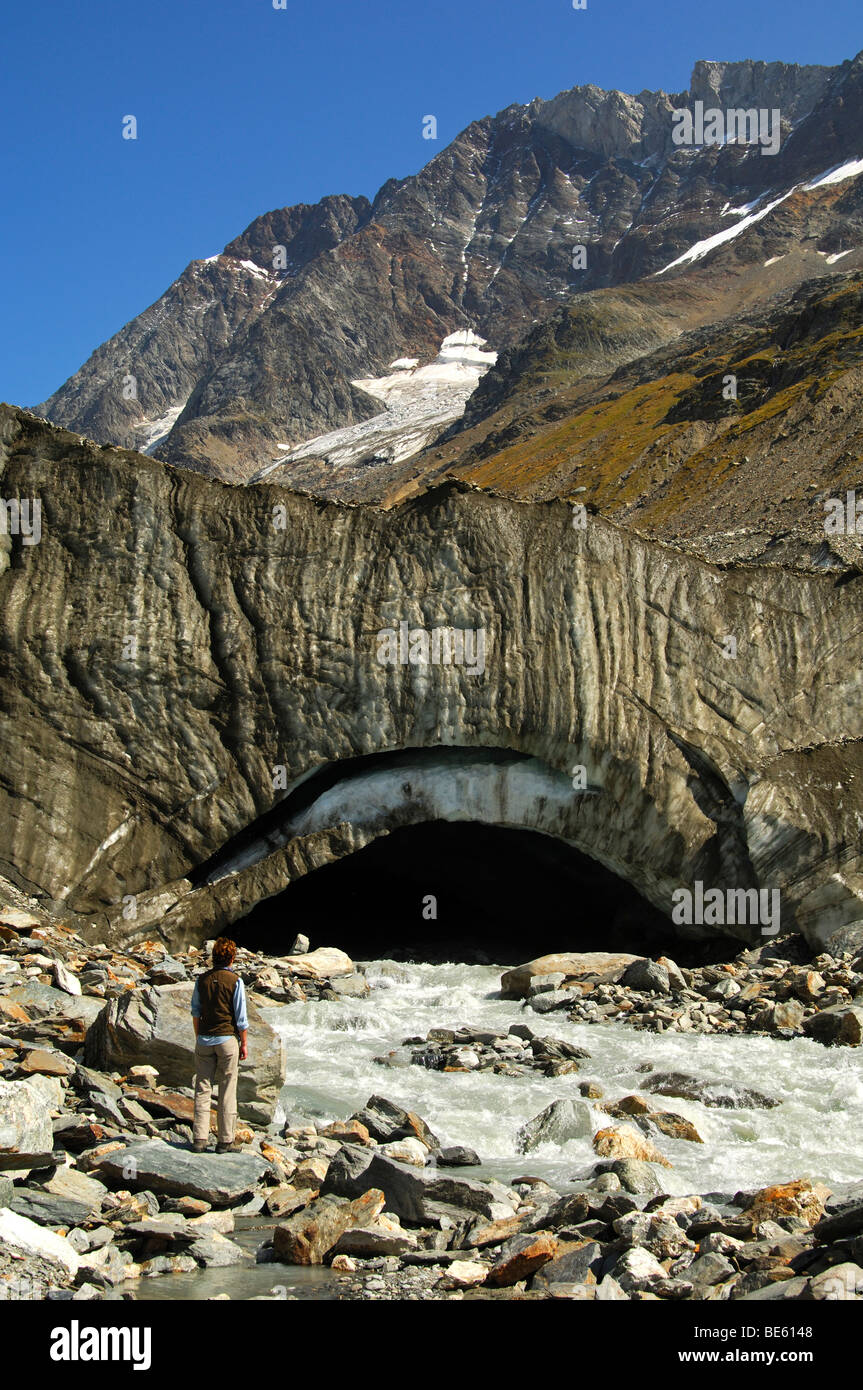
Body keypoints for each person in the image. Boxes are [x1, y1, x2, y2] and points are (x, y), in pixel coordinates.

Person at [190, 937, 248, 1153]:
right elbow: (241, 1018)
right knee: (226, 1089)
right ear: (231, 958)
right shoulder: (235, 981)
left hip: (204, 1039)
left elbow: (195, 1012)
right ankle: (225, 1141)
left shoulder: (201, 980)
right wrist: (244, 1043)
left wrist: (199, 1036)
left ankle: (199, 1139)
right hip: (226, 1040)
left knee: (202, 1088)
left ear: (213, 957)